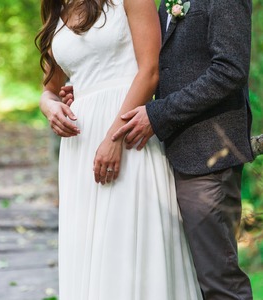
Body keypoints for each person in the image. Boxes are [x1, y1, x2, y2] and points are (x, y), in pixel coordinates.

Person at [62, 0, 255, 299]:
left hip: (208, 151)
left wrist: (158, 114)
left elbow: (229, 71)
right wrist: (93, 84)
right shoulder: (167, 3)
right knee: (179, 275)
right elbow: (161, 64)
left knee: (218, 279)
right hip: (165, 153)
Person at [36, 0, 202, 299]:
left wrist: (114, 138)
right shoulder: (56, 10)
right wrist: (50, 108)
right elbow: (49, 89)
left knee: (127, 240)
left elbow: (149, 71)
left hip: (127, 127)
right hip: (79, 143)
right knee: (88, 245)